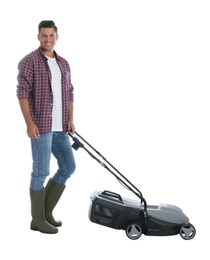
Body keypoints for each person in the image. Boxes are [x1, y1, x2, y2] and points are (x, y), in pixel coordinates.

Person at [16, 20, 76, 234]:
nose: (47, 39)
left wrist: (70, 118)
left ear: (56, 37)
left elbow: (69, 92)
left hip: (61, 128)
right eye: (44, 35)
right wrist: (29, 123)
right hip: (41, 126)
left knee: (68, 167)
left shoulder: (64, 63)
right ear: (38, 36)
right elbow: (22, 93)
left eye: (51, 35)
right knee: (41, 172)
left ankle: (45, 212)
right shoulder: (29, 61)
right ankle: (37, 219)